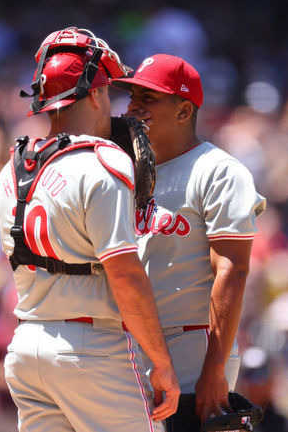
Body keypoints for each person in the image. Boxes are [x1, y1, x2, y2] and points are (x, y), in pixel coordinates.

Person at [0, 28, 179, 432]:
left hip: (27, 346)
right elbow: (126, 275)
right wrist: (161, 363)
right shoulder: (102, 162)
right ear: (94, 93)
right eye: (108, 91)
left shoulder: (10, 170)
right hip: (92, 350)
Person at [112, 54, 266, 424]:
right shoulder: (119, 168)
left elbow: (233, 271)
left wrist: (213, 371)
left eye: (149, 98)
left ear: (184, 111)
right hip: (127, 350)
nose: (134, 106)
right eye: (133, 96)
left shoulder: (219, 172)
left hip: (191, 349)